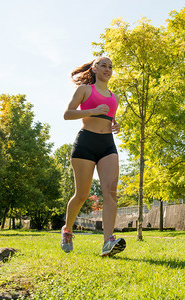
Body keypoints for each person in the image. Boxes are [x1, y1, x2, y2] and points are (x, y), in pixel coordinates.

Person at [60, 56, 126, 256]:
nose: (108, 69)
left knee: (111, 192)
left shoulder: (114, 97)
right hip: (86, 143)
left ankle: (108, 241)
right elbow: (67, 114)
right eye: (103, 65)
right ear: (95, 69)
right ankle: (67, 230)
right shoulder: (85, 90)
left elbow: (109, 119)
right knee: (81, 195)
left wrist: (115, 125)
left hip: (107, 145)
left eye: (110, 66)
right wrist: (93, 110)